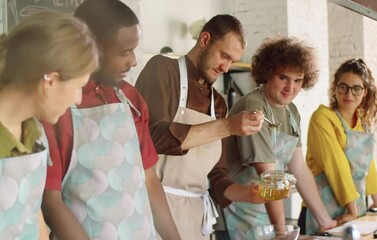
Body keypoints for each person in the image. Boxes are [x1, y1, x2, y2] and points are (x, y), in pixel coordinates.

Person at [41, 0, 180, 239]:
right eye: (124, 52)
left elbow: (149, 180)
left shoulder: (131, 98)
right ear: (90, 47)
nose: (134, 61)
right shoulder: (57, 106)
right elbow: (50, 201)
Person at [135, 14, 265, 240]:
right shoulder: (163, 69)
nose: (226, 67)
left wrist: (249, 193)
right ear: (204, 40)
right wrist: (227, 126)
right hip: (155, 213)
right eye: (224, 56)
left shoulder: (219, 104)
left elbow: (216, 177)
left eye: (233, 61)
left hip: (197, 220)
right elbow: (152, 138)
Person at [223, 36, 337, 239]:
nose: (290, 88)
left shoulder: (291, 111)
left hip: (267, 213)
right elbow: (269, 178)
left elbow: (299, 169)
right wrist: (282, 233)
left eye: (298, 80)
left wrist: (326, 223)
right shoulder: (254, 107)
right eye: (283, 78)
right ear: (267, 73)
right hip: (239, 213)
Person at [0, 11, 98, 240]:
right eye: (78, 87)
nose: (79, 99)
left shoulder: (35, 133)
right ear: (51, 80)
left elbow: (33, 214)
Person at [299, 58, 377, 234]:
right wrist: (352, 211)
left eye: (356, 89)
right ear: (335, 88)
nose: (349, 94)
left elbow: (368, 167)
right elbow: (336, 164)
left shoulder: (363, 123)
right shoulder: (322, 117)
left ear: (365, 92)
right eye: (343, 87)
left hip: (355, 212)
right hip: (323, 213)